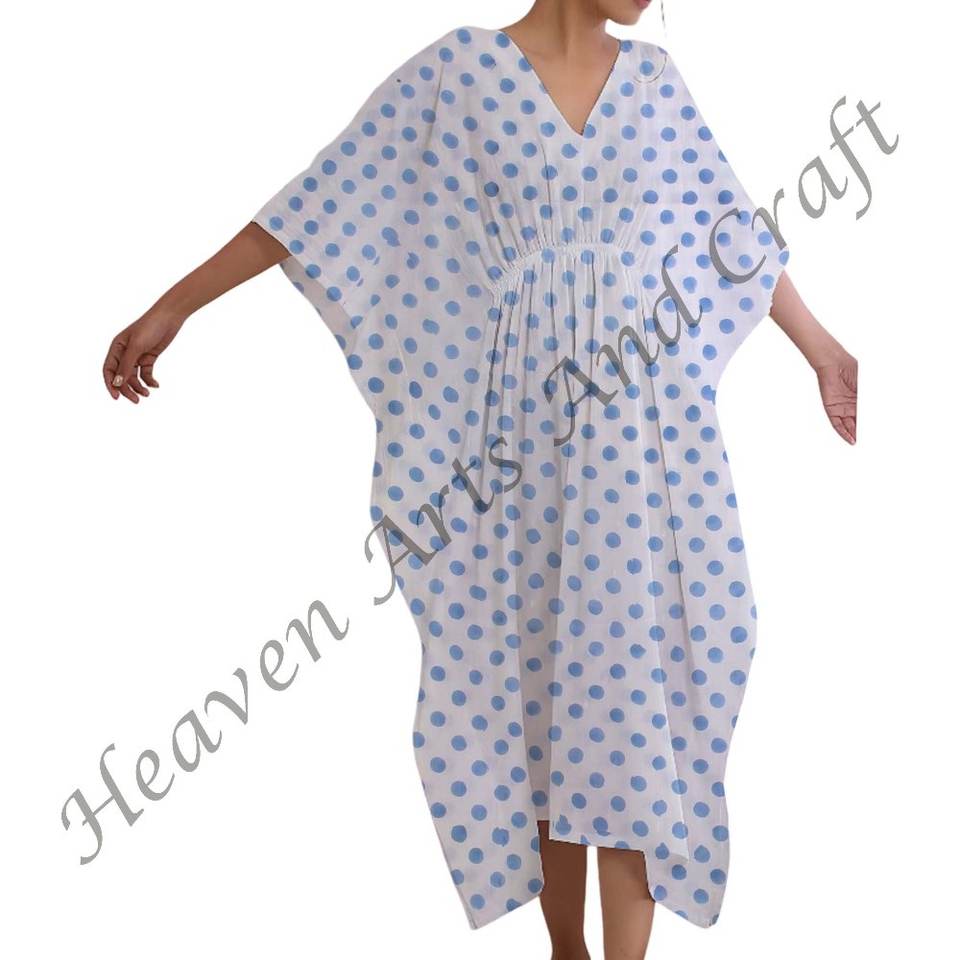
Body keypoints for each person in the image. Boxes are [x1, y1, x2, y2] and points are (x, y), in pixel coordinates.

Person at [102, 2, 857, 957]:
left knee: (642, 688)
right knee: (536, 693)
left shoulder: (657, 85)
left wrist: (824, 352)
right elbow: (323, 201)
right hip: (515, 449)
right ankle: (566, 949)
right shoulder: (459, 73)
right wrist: (176, 304)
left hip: (644, 448)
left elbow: (733, 236)